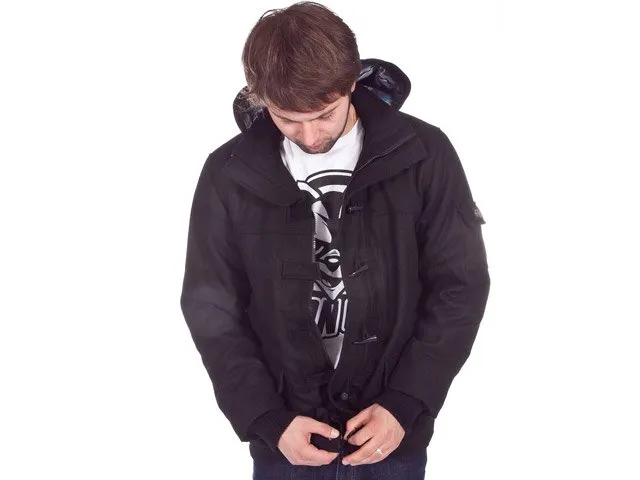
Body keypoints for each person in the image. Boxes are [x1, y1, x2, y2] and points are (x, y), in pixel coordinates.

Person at [179, 2, 490, 478]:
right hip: (285, 439)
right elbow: (211, 306)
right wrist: (266, 417)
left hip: (391, 434)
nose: (308, 134)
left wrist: (407, 400)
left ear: (351, 83)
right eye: (286, 118)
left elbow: (460, 286)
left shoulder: (425, 153)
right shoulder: (228, 172)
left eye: (324, 114)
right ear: (260, 98)